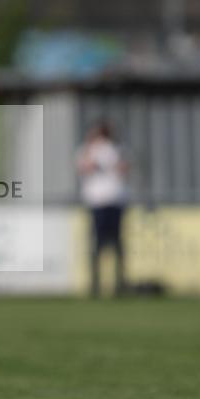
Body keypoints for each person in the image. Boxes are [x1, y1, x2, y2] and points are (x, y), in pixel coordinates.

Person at [76, 121, 129, 298]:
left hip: (115, 200)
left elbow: (124, 168)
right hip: (97, 202)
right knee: (96, 245)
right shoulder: (87, 150)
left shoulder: (117, 149)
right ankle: (95, 284)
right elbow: (85, 167)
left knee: (117, 244)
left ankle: (119, 284)